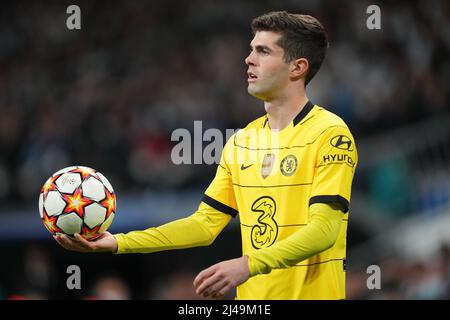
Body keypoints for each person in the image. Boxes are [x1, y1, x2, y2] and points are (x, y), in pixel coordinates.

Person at [54, 11, 358, 300]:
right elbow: (204, 224)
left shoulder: (330, 133)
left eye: (263, 51)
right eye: (252, 49)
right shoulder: (241, 142)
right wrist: (119, 242)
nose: (248, 59)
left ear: (297, 67)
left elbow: (324, 231)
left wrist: (247, 264)